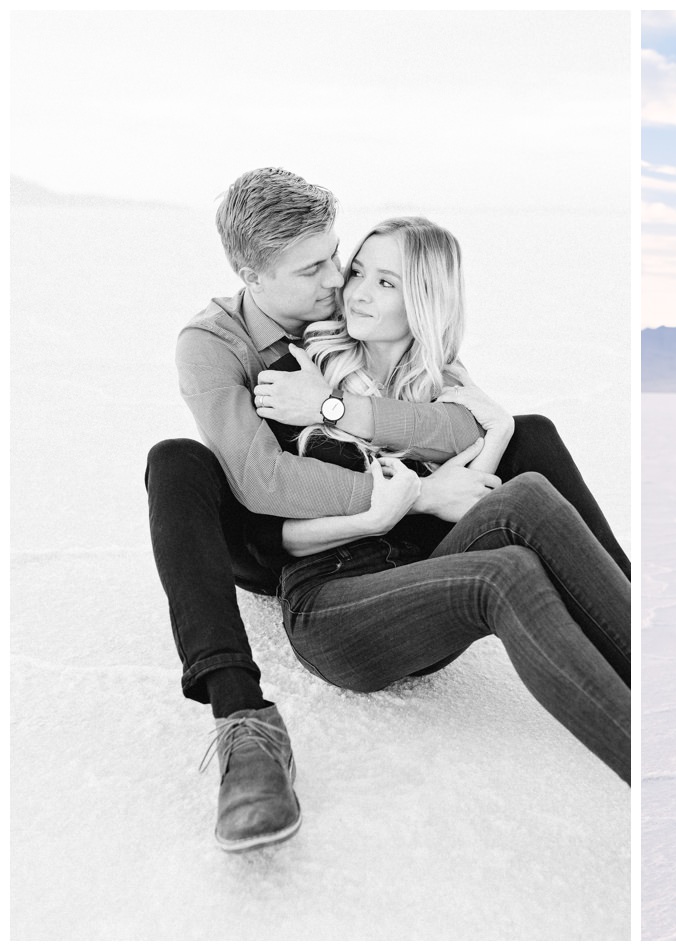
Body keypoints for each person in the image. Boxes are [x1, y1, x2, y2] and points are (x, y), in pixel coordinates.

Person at [145, 168, 628, 851]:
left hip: (391, 544)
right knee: (176, 460)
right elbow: (260, 482)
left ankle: (638, 637)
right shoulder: (215, 343)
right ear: (251, 272)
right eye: (316, 267)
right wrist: (414, 497)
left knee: (533, 444)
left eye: (341, 258)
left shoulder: (343, 314)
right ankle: (242, 720)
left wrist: (342, 408)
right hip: (267, 537)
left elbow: (468, 421)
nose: (339, 280)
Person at [268, 215, 629, 784]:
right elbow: (276, 531)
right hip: (335, 608)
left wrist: (499, 435)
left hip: (424, 593)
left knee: (528, 489)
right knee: (503, 572)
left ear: (425, 301)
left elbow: (463, 512)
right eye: (358, 272)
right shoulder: (300, 371)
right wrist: (380, 512)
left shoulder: (443, 394)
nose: (357, 292)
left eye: (386, 283)